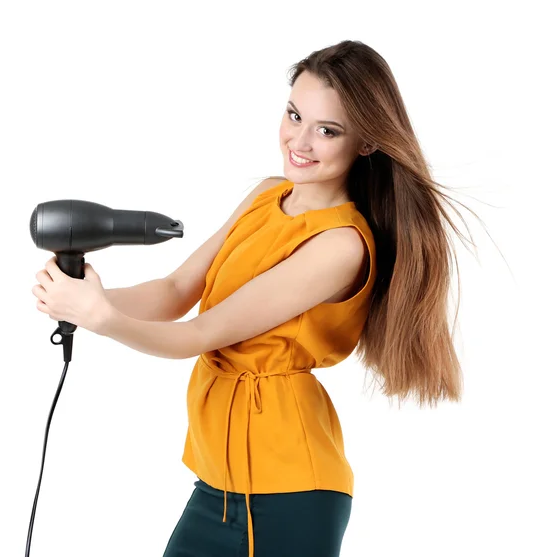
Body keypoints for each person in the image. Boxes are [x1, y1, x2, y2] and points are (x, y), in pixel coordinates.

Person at [104, 39, 469, 557]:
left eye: (327, 130)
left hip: (290, 491)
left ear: (365, 143)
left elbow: (199, 334)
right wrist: (89, 297)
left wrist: (97, 318)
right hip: (219, 485)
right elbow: (175, 291)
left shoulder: (341, 244)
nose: (300, 140)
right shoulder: (263, 196)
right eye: (295, 114)